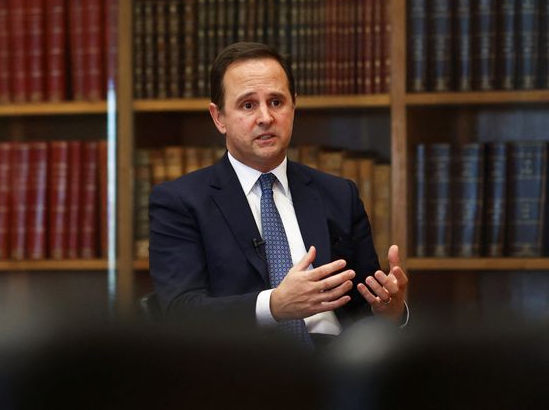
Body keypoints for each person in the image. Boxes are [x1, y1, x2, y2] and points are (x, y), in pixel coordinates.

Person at [149, 42, 408, 340]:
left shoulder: (338, 195)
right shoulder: (180, 202)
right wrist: (273, 306)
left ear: (293, 106)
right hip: (240, 369)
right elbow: (182, 312)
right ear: (218, 118)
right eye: (248, 105)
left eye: (276, 102)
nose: (265, 118)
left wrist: (389, 312)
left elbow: (364, 306)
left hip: (335, 368)